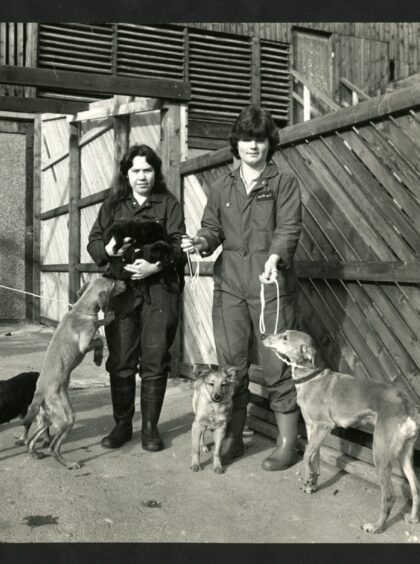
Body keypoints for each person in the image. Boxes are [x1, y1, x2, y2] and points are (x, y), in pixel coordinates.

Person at [181, 105, 303, 470]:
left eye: (260, 139)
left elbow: (289, 228)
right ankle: (231, 435)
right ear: (237, 144)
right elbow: (212, 228)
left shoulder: (283, 183)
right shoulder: (222, 187)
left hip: (271, 284)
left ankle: (286, 442)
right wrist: (200, 243)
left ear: (270, 144)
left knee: (276, 364)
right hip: (230, 285)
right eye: (247, 139)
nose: (253, 146)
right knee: (232, 364)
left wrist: (275, 257)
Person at [87, 144, 186, 452]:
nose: (142, 177)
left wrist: (156, 265)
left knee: (155, 358)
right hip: (122, 292)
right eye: (135, 171)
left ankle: (150, 429)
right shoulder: (113, 205)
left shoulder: (169, 204)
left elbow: (179, 247)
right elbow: (93, 241)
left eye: (147, 170)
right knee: (121, 358)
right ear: (126, 174)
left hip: (160, 293)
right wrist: (108, 251)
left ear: (155, 173)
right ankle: (122, 425)